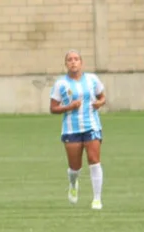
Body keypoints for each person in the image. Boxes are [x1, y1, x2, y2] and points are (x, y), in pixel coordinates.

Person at [50, 50, 106, 210]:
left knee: (94, 161)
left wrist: (100, 103)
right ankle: (73, 183)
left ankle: (97, 199)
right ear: (66, 64)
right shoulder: (61, 84)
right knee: (75, 167)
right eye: (70, 60)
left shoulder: (92, 79)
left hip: (92, 126)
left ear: (81, 62)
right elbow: (53, 108)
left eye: (76, 59)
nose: (73, 62)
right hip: (71, 129)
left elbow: (102, 97)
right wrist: (70, 106)